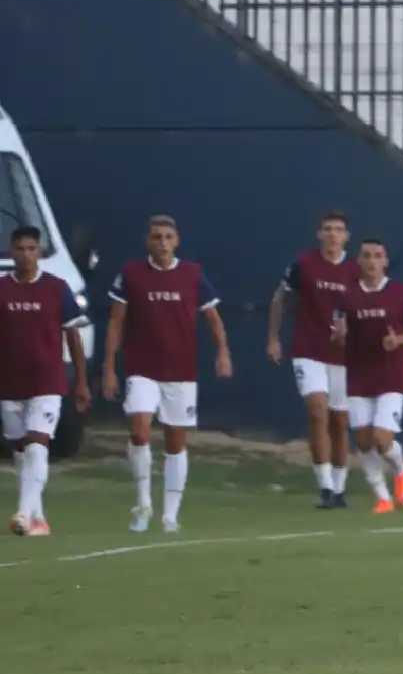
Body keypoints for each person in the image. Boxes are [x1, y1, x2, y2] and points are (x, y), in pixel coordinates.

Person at [103, 215, 233, 533]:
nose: (162, 242)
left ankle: (170, 515)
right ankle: (143, 504)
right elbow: (116, 321)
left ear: (177, 241)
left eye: (168, 237)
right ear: (147, 241)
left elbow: (212, 318)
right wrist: (108, 366)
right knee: (139, 428)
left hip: (180, 371)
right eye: (156, 237)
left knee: (175, 441)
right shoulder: (131, 274)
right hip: (141, 367)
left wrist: (223, 353)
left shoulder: (193, 274)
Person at [0, 227, 91, 535]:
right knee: (21, 451)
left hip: (47, 382)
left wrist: (81, 381)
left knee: (38, 445)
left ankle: (24, 514)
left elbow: (73, 336)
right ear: (12, 252)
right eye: (20, 249)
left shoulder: (57, 288)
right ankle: (38, 518)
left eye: (31, 248)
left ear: (39, 251)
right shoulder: (2, 289)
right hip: (9, 383)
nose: (26, 254)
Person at [333, 239, 403, 512]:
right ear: (359, 261)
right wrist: (340, 336)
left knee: (381, 438)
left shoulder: (401, 294)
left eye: (378, 256)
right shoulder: (348, 297)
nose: (373, 261)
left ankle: (401, 471)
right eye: (367, 256)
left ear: (385, 262)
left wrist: (399, 340)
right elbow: (340, 334)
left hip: (392, 374)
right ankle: (383, 498)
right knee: (363, 441)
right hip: (358, 374)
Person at [267, 210, 357, 509]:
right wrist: (273, 338)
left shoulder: (357, 270)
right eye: (328, 229)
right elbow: (280, 298)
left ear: (347, 237)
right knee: (317, 412)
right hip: (308, 350)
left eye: (339, 230)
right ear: (319, 234)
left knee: (339, 420)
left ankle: (341, 488)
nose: (333, 234)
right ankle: (326, 487)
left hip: (345, 356)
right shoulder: (303, 264)